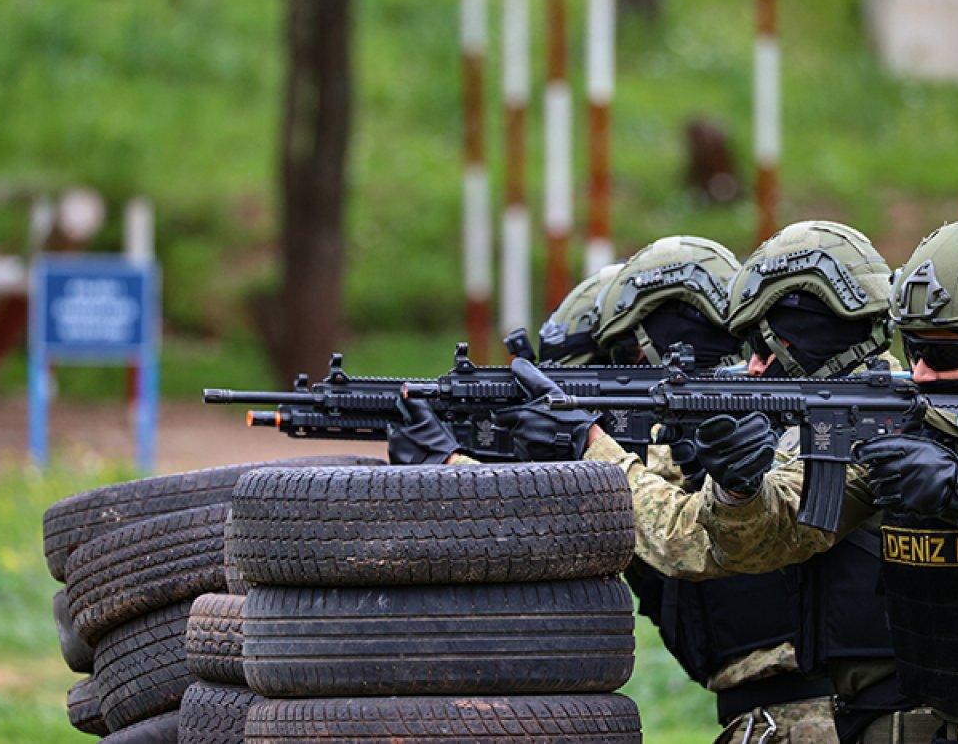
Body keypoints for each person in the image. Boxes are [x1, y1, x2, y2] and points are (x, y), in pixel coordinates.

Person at [391, 227, 912, 742]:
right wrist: (472, 462)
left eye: (764, 345)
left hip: (830, 715)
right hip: (789, 718)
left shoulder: (860, 421)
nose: (749, 367)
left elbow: (680, 535)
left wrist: (580, 442)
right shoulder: (797, 416)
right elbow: (596, 522)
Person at [694, 219, 958, 742]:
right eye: (914, 350)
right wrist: (740, 492)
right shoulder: (906, 414)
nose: (920, 374)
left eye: (945, 355)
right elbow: (773, 538)